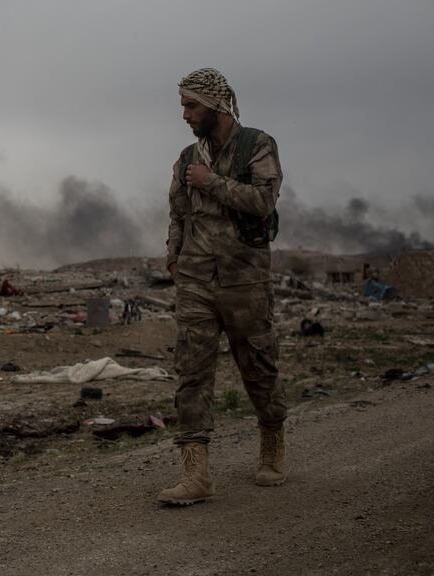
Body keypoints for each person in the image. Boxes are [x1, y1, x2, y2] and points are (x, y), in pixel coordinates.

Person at [158, 68, 286, 506]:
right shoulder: (186, 157)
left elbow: (264, 201)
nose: (185, 114)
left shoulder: (257, 145)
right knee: (191, 371)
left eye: (190, 106)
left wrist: (210, 182)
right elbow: (178, 213)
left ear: (215, 106)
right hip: (195, 279)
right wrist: (174, 257)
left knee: (257, 363)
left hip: (244, 277)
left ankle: (272, 442)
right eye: (182, 105)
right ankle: (197, 474)